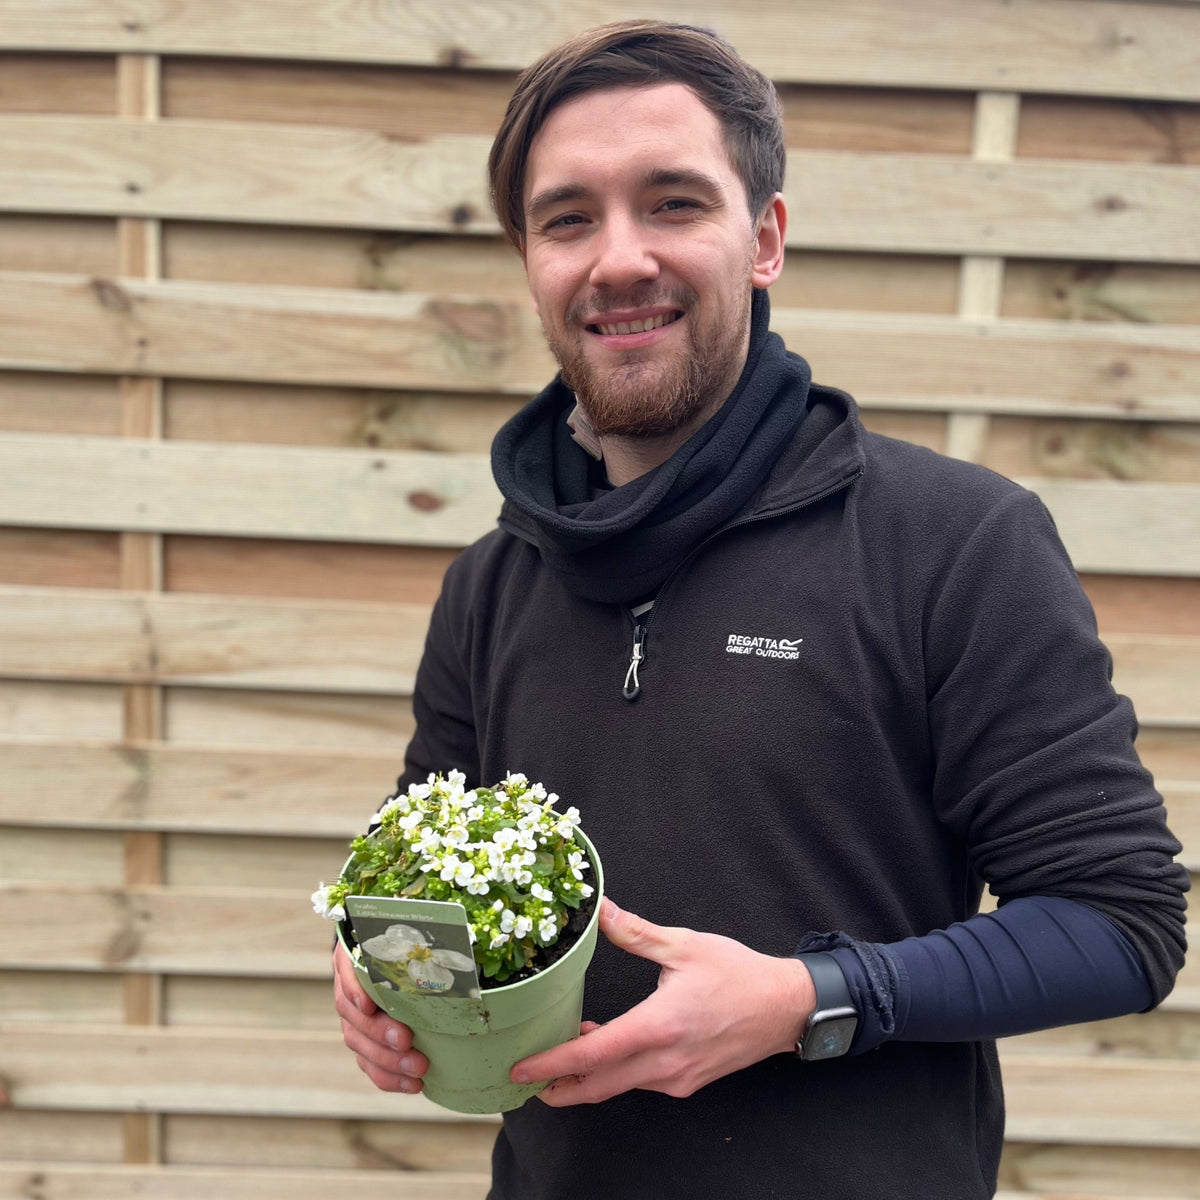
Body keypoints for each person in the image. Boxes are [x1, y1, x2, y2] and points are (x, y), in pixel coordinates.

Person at [334, 20, 1188, 1199]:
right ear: (530, 258)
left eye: (673, 203)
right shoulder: (493, 582)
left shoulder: (950, 543)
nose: (617, 259)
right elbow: (425, 891)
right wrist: (386, 977)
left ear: (766, 238)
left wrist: (807, 1000)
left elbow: (1121, 923)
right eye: (568, 217)